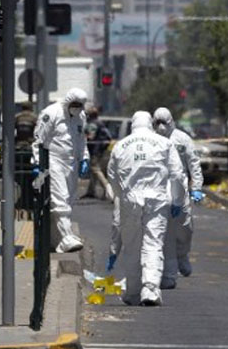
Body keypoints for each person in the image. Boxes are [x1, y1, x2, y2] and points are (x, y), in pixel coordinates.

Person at [106, 111, 186, 306]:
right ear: (150, 123)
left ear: (133, 124)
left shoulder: (120, 145)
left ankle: (133, 292)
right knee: (153, 243)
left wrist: (121, 196)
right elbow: (177, 175)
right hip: (156, 200)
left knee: (132, 246)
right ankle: (150, 289)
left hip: (130, 200)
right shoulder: (164, 143)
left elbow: (112, 176)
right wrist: (177, 200)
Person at [33, 88, 90, 253]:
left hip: (72, 163)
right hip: (54, 161)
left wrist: (84, 158)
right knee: (60, 200)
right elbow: (39, 140)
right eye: (75, 104)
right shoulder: (51, 113)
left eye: (80, 105)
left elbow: (81, 139)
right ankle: (66, 238)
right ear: (68, 101)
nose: (77, 108)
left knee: (69, 201)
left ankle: (55, 240)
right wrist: (37, 162)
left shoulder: (80, 116)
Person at [152, 107, 204, 289]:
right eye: (157, 123)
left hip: (180, 188)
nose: (161, 127)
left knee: (185, 228)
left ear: (171, 122)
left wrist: (196, 188)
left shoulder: (182, 139)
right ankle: (166, 272)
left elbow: (194, 163)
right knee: (163, 232)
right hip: (159, 188)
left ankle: (182, 255)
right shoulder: (151, 139)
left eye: (164, 123)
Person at [84, 105, 113, 200]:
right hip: (102, 149)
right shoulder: (100, 122)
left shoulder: (93, 124)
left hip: (95, 150)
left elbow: (90, 137)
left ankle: (107, 187)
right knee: (96, 170)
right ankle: (91, 191)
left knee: (95, 169)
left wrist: (82, 136)